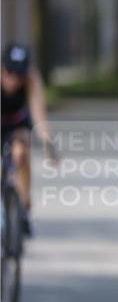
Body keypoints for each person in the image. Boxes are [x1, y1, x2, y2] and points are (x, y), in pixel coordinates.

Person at [1, 44, 54, 238]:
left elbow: (39, 113)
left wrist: (49, 144)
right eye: (10, 72)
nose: (14, 79)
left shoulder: (31, 79)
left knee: (21, 152)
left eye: (19, 74)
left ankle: (23, 207)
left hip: (17, 122)